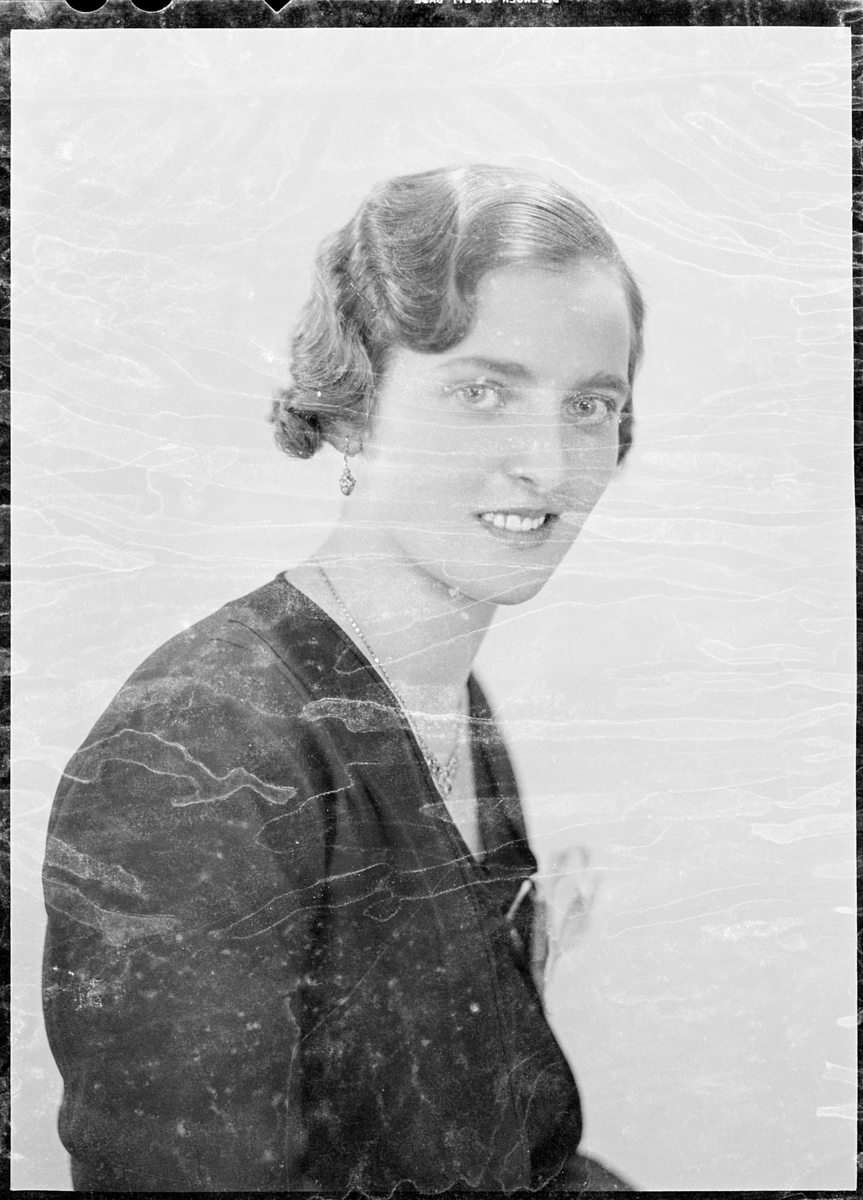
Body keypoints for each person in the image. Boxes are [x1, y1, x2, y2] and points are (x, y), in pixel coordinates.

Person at [42, 164, 644, 1192]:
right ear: (357, 406)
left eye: (588, 405)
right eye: (482, 392)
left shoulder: (451, 703)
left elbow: (510, 1157)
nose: (548, 464)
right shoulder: (196, 750)